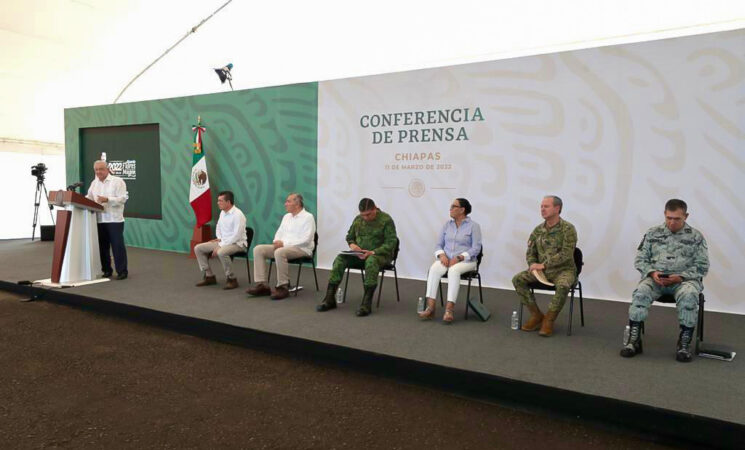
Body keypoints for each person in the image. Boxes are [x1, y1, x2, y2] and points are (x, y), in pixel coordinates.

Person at [620, 199, 709, 362]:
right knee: (640, 292)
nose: (672, 222)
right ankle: (634, 340)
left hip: (684, 281)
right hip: (656, 280)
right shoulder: (653, 233)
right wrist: (652, 273)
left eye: (677, 219)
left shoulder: (696, 237)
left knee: (689, 295)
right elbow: (640, 260)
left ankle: (684, 344)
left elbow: (703, 266)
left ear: (686, 216)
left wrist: (680, 277)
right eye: (669, 217)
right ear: (664, 214)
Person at [316, 198, 398, 317]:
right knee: (340, 259)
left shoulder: (386, 220)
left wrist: (373, 252)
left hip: (379, 256)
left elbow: (391, 243)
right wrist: (353, 245)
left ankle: (366, 303)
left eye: (368, 214)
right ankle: (329, 298)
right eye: (363, 215)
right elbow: (350, 236)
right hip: (359, 255)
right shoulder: (358, 220)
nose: (365, 218)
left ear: (375, 208)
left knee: (371, 261)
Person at [511, 195, 577, 337]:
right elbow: (530, 252)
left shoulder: (568, 229)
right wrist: (533, 265)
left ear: (557, 208)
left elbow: (566, 253)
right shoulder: (538, 230)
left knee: (564, 285)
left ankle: (549, 319)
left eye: (546, 206)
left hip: (563, 270)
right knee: (518, 279)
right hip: (541, 272)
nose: (542, 209)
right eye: (541, 206)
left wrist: (544, 265)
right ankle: (536, 315)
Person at [418, 198, 482, 323]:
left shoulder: (474, 226)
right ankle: (430, 308)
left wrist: (460, 257)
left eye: (454, 206)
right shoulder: (447, 225)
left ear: (462, 210)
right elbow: (438, 245)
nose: (450, 209)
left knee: (453, 271)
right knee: (434, 269)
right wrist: (441, 255)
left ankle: (449, 310)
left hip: (467, 261)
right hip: (446, 259)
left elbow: (476, 248)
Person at [246, 193, 316, 300]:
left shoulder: (308, 217)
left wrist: (284, 244)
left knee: (279, 252)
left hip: (302, 249)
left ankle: (283, 287)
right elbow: (279, 233)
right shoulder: (286, 217)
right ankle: (262, 285)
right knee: (258, 249)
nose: (285, 204)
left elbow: (306, 240)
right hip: (284, 247)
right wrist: (276, 242)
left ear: (297, 204)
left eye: (288, 201)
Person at [193, 191, 247, 290]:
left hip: (238, 244)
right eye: (218, 201)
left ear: (228, 202)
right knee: (198, 248)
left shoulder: (238, 215)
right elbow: (218, 227)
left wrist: (220, 246)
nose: (218, 203)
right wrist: (219, 239)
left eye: (220, 201)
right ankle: (209, 276)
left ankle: (232, 279)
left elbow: (236, 236)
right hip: (223, 242)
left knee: (221, 252)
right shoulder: (222, 212)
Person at [86, 160, 129, 280]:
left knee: (117, 246)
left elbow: (123, 198)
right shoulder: (94, 183)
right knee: (102, 247)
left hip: (114, 220)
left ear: (107, 169)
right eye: (96, 170)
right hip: (99, 219)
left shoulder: (117, 181)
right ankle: (106, 270)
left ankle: (122, 271)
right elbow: (89, 198)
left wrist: (108, 199)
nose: (98, 172)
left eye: (101, 169)